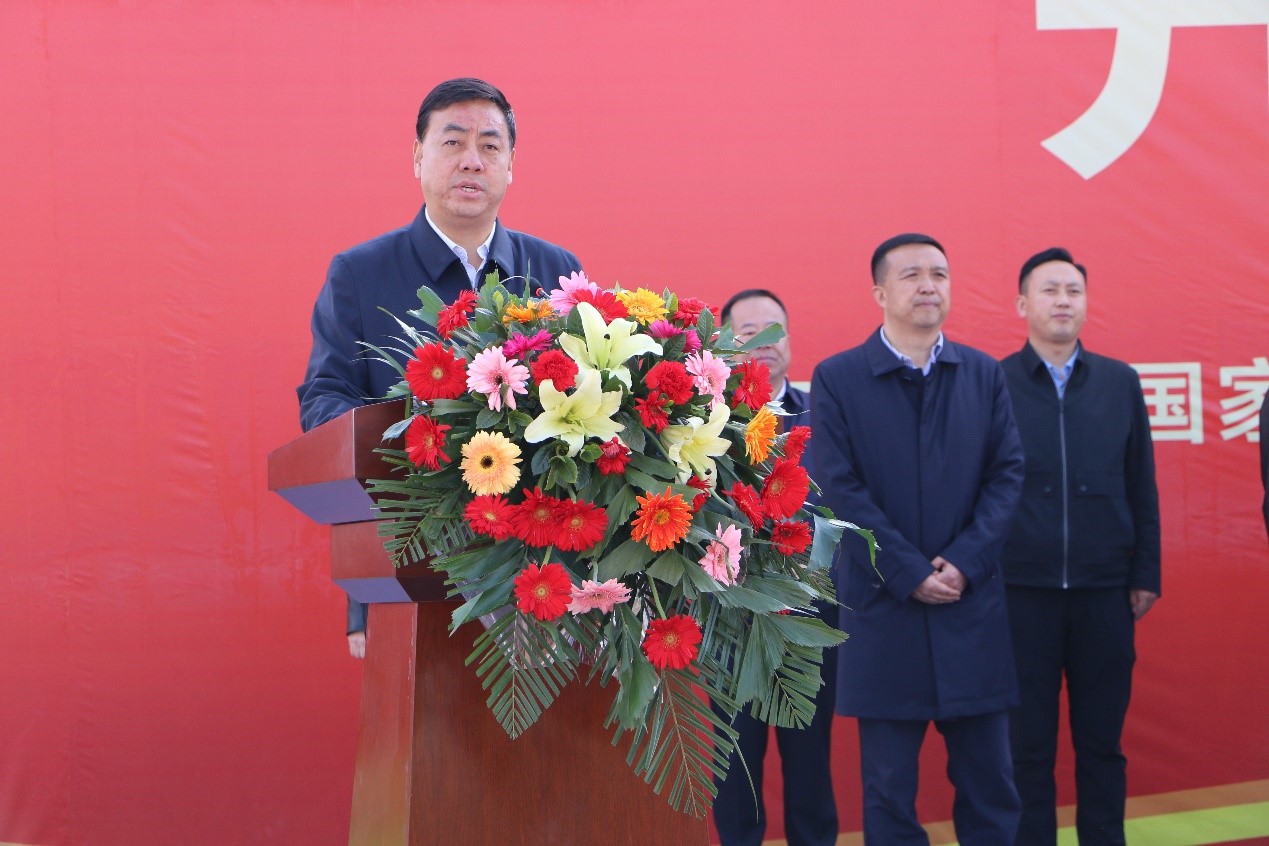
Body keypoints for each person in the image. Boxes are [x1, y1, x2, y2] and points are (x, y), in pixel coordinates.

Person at [296, 78, 583, 658]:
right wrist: (415, 434)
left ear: (510, 165)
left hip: (540, 569)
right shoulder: (359, 274)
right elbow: (324, 401)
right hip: (406, 564)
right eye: (453, 142)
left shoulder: (556, 272)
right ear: (418, 157)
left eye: (490, 146)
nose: (472, 160)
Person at [810, 233, 1025, 845]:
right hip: (885, 610)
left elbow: (1007, 475)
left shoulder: (982, 373)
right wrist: (907, 571)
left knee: (991, 786)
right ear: (880, 292)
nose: (928, 285)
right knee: (888, 794)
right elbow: (839, 489)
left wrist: (963, 562)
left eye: (939, 274)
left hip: (969, 605)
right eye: (911, 275)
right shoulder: (839, 378)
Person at [1000, 247, 1161, 846]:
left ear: (1087, 303)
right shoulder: (996, 382)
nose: (1063, 301)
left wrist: (1145, 573)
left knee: (1102, 745)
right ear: (1023, 305)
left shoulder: (1119, 382)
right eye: (1049, 290)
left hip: (1104, 592)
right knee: (1026, 748)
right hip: (1021, 592)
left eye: (1073, 290)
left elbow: (1141, 482)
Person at [712, 289, 838, 846]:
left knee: (811, 762)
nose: (765, 343)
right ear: (724, 343)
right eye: (749, 333)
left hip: (811, 613)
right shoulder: (706, 420)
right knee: (737, 763)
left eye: (775, 330)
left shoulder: (829, 416)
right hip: (729, 616)